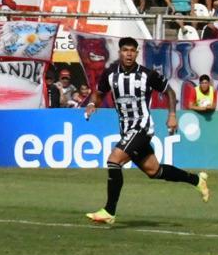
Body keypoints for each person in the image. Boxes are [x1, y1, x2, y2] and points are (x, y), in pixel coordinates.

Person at [84, 37, 209, 225]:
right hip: (126, 129)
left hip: (142, 126)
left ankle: (109, 211)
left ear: (136, 53)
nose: (128, 54)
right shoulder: (110, 74)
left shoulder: (147, 75)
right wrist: (92, 104)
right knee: (154, 171)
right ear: (119, 52)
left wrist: (172, 115)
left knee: (114, 161)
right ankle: (197, 180)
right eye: (125, 50)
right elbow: (99, 93)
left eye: (132, 51)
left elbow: (170, 92)